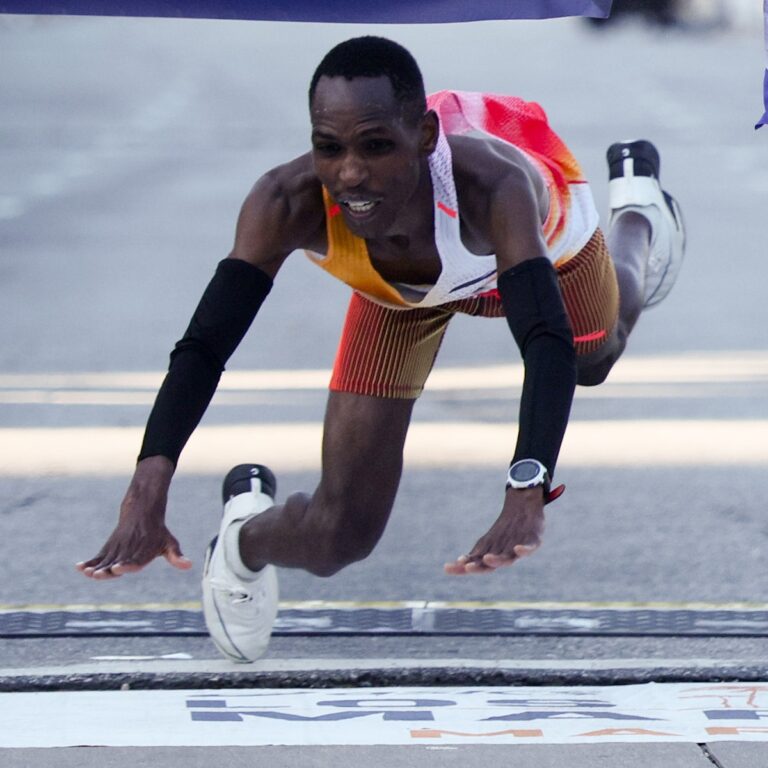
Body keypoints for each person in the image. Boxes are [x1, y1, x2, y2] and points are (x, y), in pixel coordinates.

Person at [76, 36, 685, 662]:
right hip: (400, 297)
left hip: (542, 256)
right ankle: (239, 542)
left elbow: (543, 340)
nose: (349, 175)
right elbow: (205, 345)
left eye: (375, 147)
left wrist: (525, 489)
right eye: (328, 148)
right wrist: (147, 485)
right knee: (343, 534)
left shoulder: (494, 186)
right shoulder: (284, 201)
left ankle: (637, 216)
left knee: (594, 359)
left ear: (423, 137)